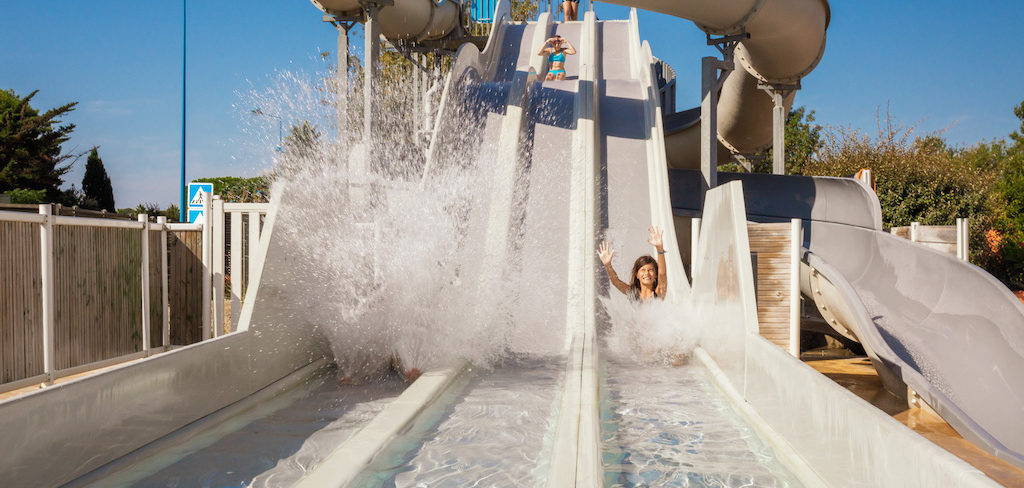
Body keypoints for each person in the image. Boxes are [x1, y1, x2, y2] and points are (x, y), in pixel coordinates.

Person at [598, 226, 667, 301]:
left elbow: (662, 274)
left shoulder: (659, 293)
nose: (646, 273)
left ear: (656, 274)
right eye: (643, 270)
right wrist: (608, 265)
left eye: (650, 270)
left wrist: (659, 249)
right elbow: (616, 282)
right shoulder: (633, 293)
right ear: (637, 274)